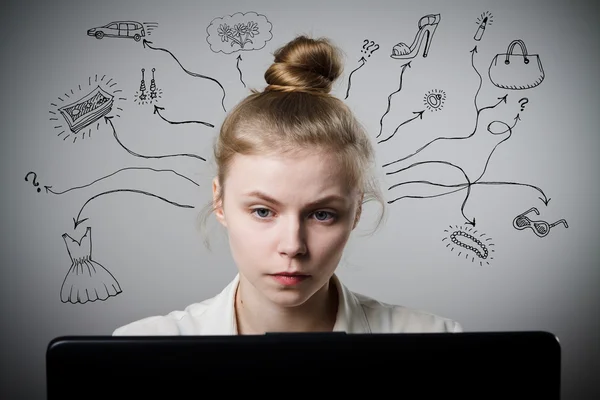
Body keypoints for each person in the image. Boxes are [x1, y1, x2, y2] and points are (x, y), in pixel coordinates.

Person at [113, 35, 462, 336]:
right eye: (263, 211)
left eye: (322, 214)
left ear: (357, 211)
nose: (293, 246)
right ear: (219, 203)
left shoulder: (435, 341)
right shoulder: (136, 347)